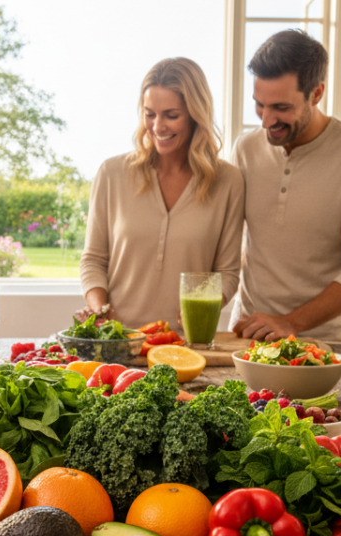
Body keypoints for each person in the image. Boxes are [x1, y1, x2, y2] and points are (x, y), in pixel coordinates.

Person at [229, 29, 341, 344]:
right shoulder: (245, 149)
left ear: (316, 94)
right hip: (247, 337)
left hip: (326, 344)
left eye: (280, 107)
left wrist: (291, 323)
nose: (266, 121)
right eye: (259, 105)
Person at [76, 57, 245, 331]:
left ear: (195, 115)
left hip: (186, 345)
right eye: (149, 113)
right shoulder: (112, 173)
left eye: (171, 115)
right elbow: (94, 259)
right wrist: (99, 309)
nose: (157, 126)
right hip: (118, 340)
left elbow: (227, 273)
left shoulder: (228, 181)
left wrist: (204, 305)